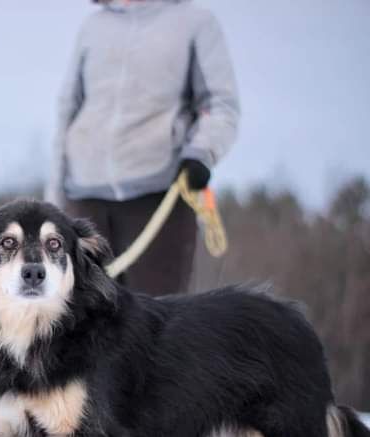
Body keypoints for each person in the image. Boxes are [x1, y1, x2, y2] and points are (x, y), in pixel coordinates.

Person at [45, 0, 240, 296]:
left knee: (156, 324)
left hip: (158, 196)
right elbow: (67, 111)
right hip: (84, 198)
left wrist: (202, 153)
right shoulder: (93, 27)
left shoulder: (195, 23)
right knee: (79, 325)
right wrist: (54, 197)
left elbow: (221, 105)